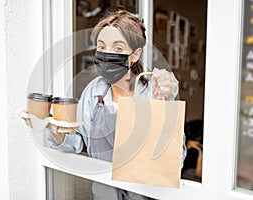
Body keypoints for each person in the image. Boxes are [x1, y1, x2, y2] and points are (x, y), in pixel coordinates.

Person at [47, 10, 186, 200]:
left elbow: (175, 160)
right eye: (101, 47)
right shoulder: (93, 92)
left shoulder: (153, 92)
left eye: (118, 48)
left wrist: (167, 101)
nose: (107, 54)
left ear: (135, 55)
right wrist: (54, 128)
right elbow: (77, 142)